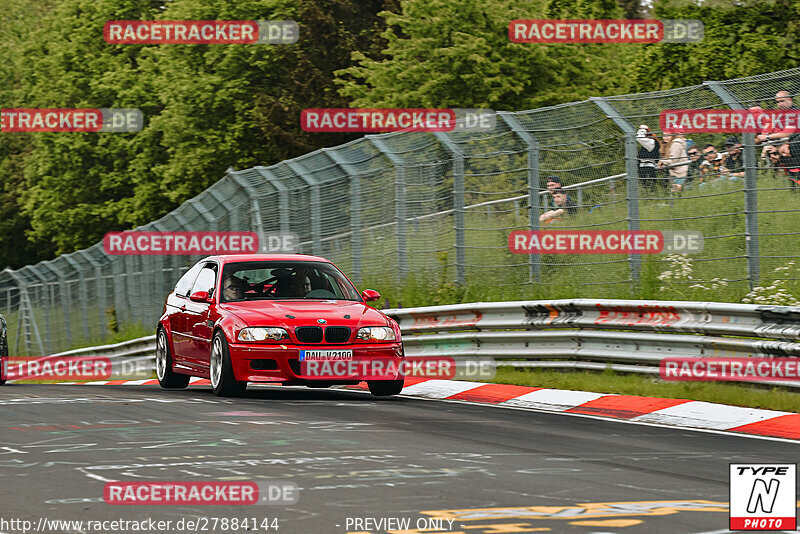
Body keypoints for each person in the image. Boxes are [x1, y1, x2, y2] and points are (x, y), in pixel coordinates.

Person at [635, 125, 664, 192]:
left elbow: (639, 138)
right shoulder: (647, 144)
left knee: (651, 186)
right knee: (645, 186)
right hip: (643, 167)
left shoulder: (652, 142)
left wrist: (643, 128)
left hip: (649, 166)